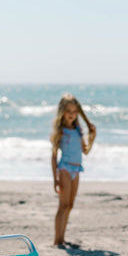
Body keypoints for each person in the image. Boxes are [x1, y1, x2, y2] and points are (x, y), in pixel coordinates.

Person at [51, 93, 96, 247]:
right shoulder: (60, 131)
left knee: (70, 205)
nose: (71, 115)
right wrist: (55, 178)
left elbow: (85, 151)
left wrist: (93, 136)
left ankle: (62, 237)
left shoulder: (78, 130)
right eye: (68, 111)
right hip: (64, 169)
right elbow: (53, 156)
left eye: (74, 112)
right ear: (62, 111)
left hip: (76, 170)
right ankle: (57, 240)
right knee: (63, 205)